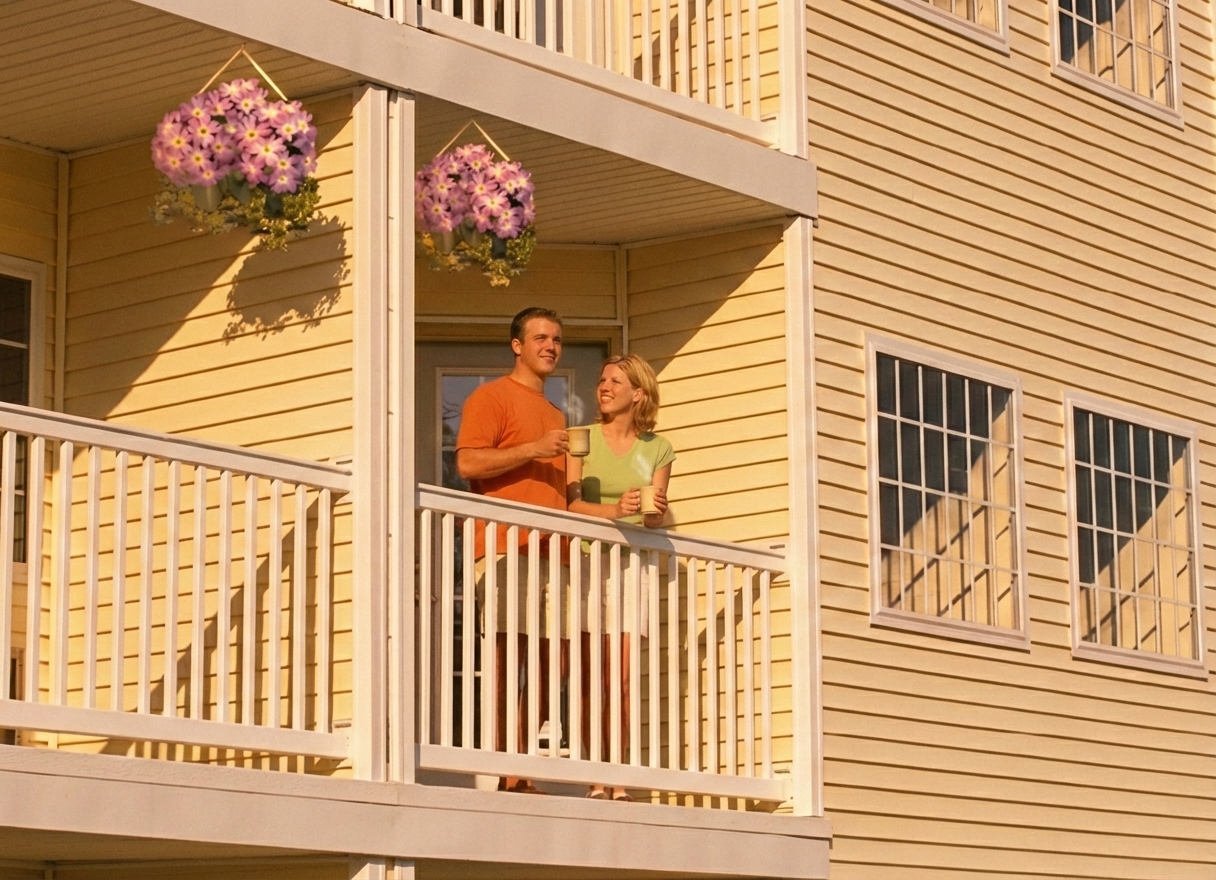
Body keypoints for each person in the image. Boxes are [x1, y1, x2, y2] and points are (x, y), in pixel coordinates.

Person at [455, 306, 568, 795]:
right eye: (540, 337)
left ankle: (523, 762)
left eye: (557, 339)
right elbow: (468, 464)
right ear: (517, 345)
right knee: (506, 657)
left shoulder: (559, 416)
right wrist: (532, 450)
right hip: (504, 547)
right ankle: (508, 771)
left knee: (553, 662)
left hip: (553, 555)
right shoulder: (491, 396)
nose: (550, 346)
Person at [566, 354, 674, 801]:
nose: (604, 387)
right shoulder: (582, 439)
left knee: (623, 675)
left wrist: (655, 514)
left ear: (639, 393)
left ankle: (619, 777)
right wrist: (613, 511)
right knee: (594, 674)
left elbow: (653, 519)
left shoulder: (658, 448)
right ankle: (596, 778)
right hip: (589, 561)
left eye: (615, 381)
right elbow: (570, 504)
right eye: (602, 379)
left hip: (632, 564)